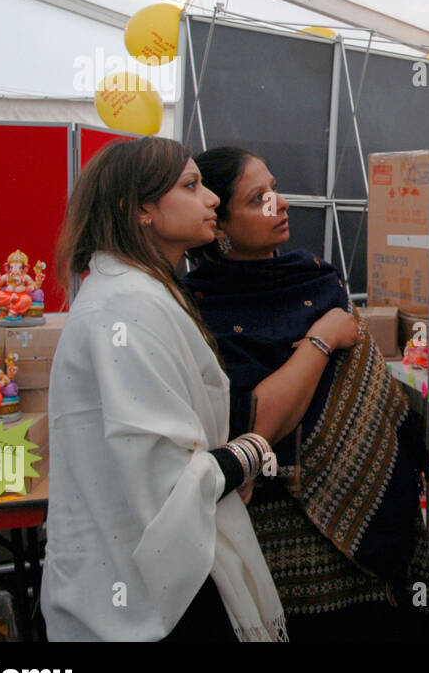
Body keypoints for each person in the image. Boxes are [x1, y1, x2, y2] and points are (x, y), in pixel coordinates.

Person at [184, 147, 429, 641]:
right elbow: (255, 422)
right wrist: (322, 339)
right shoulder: (201, 309)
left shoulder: (313, 276)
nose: (280, 204)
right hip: (289, 530)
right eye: (258, 198)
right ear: (218, 226)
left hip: (378, 496)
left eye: (275, 188)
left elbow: (365, 383)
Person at [44, 137, 286, 641]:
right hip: (144, 592)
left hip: (139, 572)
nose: (212, 199)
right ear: (138, 211)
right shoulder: (126, 306)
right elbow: (164, 476)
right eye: (191, 186)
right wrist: (251, 451)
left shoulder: (137, 291)